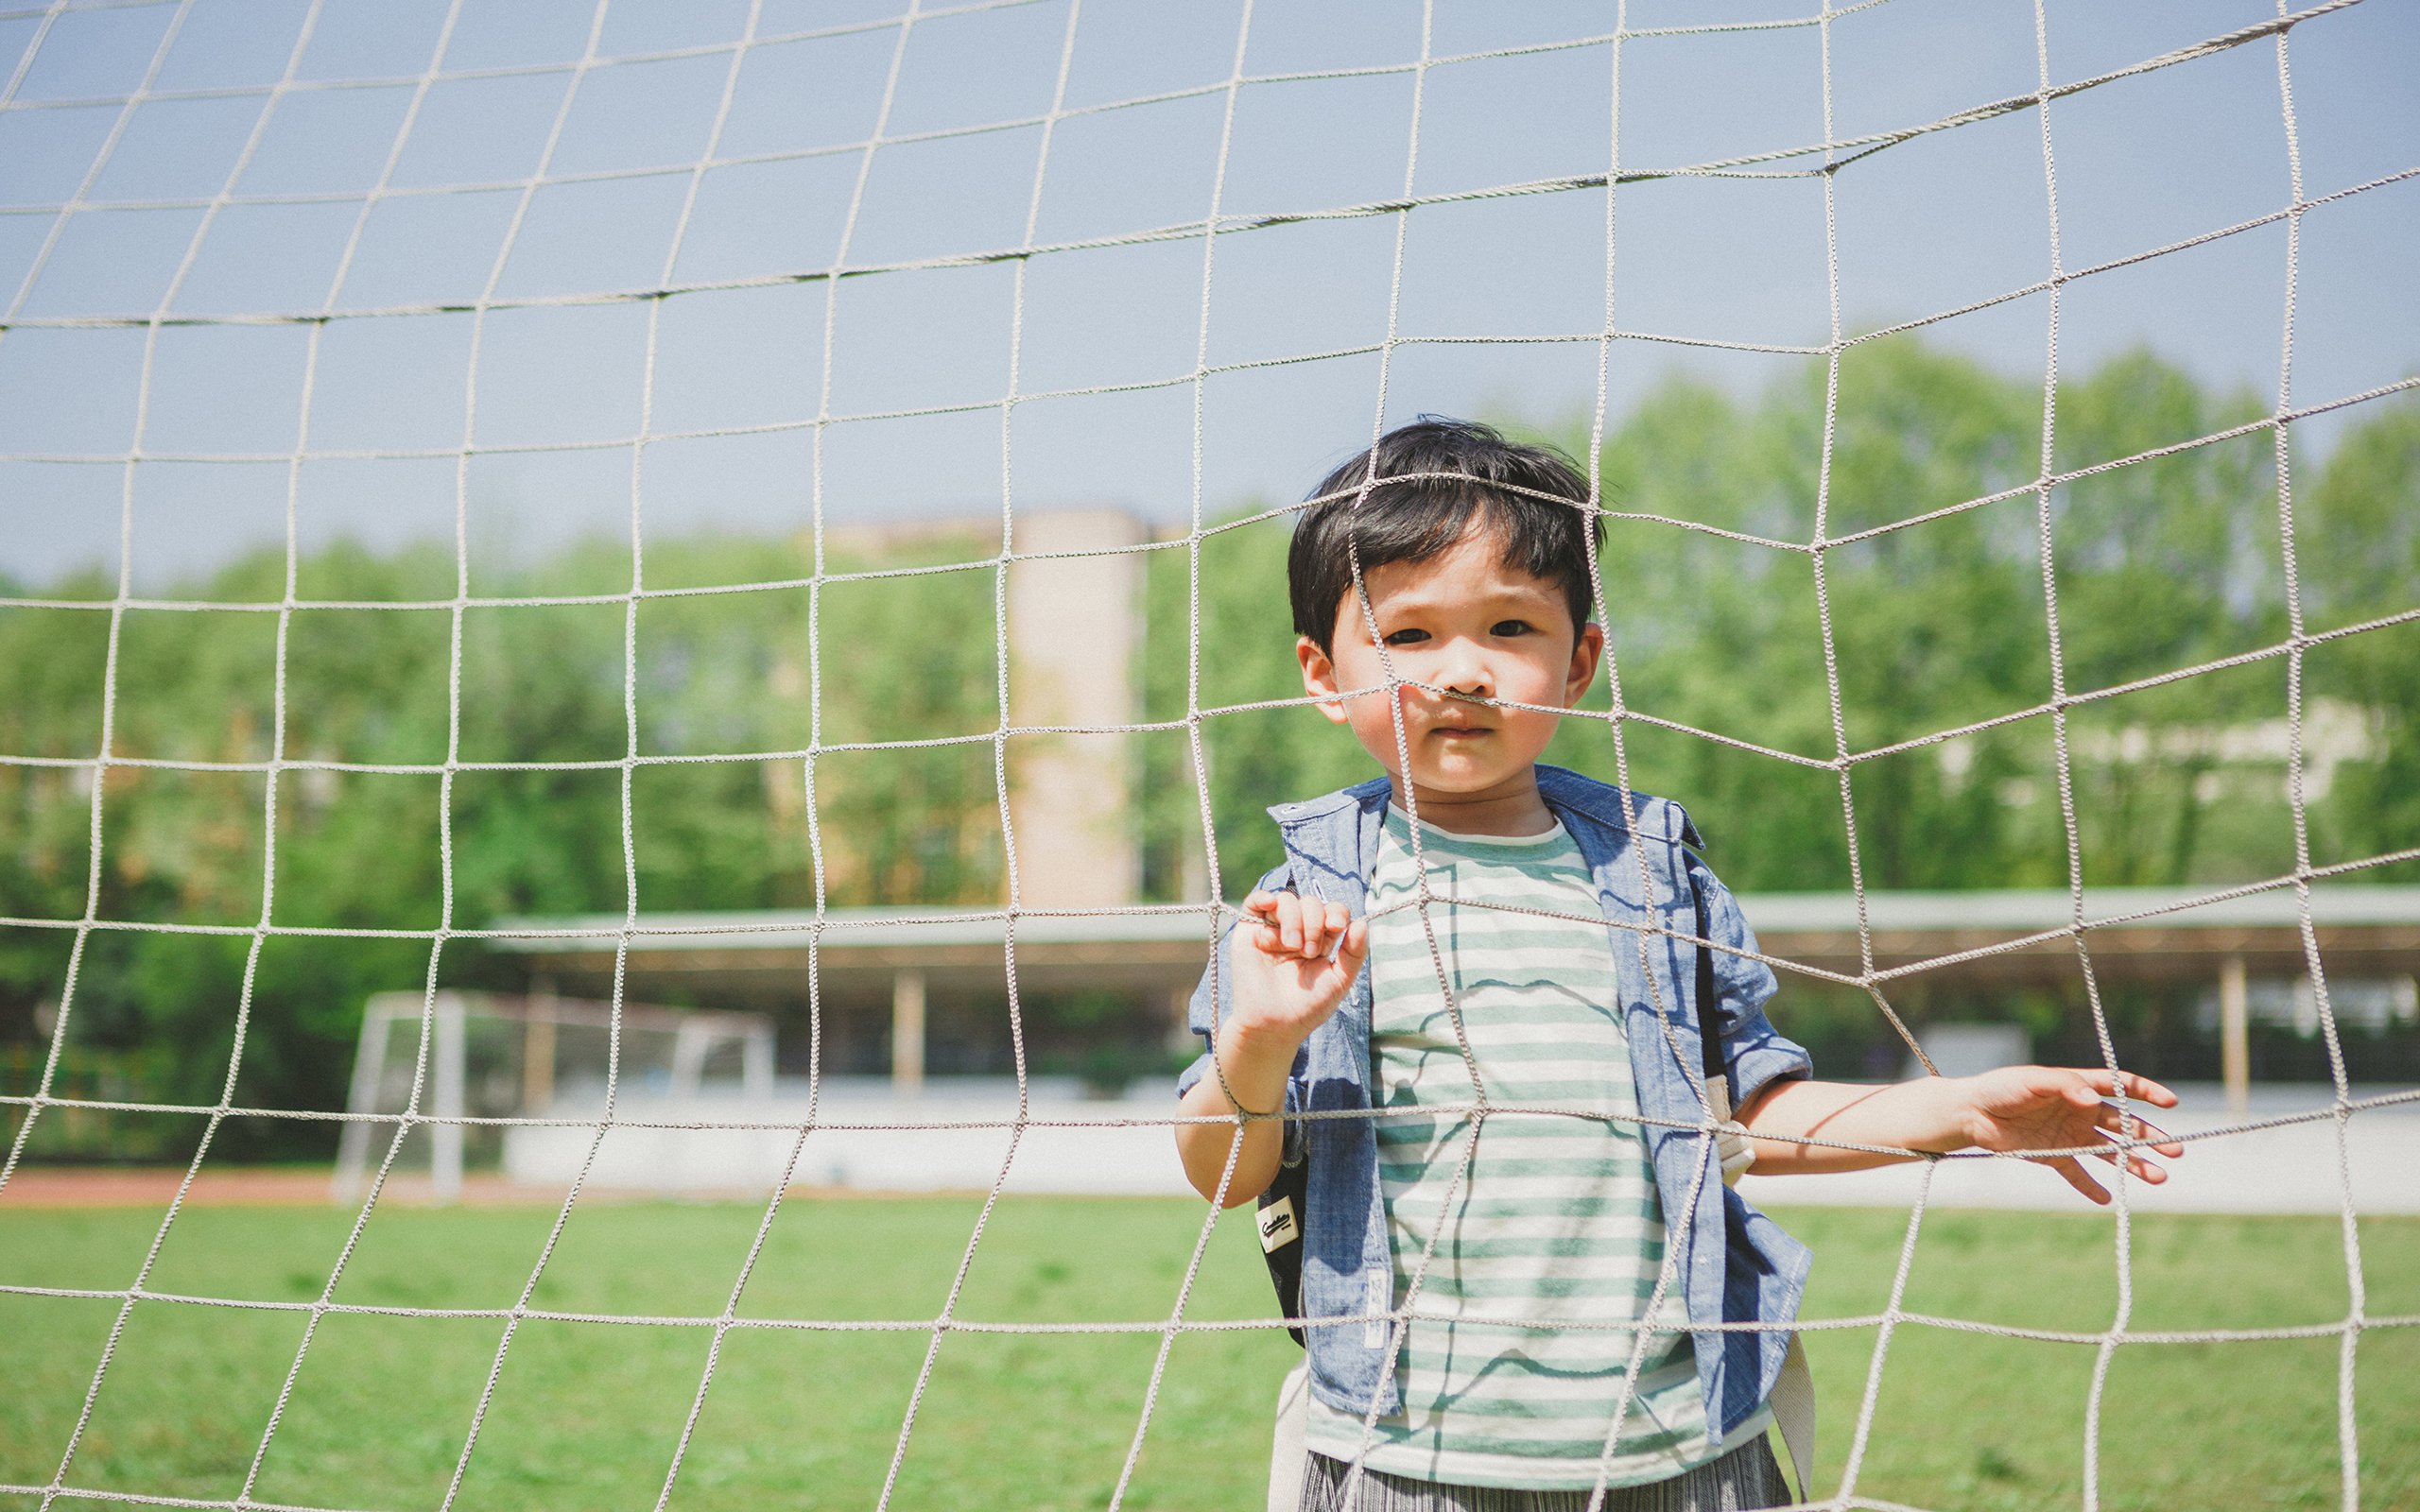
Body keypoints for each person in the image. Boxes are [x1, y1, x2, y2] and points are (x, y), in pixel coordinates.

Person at [1171, 418, 2184, 1512]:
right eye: (1407, 635)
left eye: (1509, 625)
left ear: (1581, 661)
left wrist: (1954, 1112)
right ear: (1324, 675)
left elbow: (1736, 1123)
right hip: (1402, 1460)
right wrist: (1261, 1039)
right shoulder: (1300, 909)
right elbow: (1223, 1173)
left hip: (1680, 1450)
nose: (1461, 669)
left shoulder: (1654, 877)